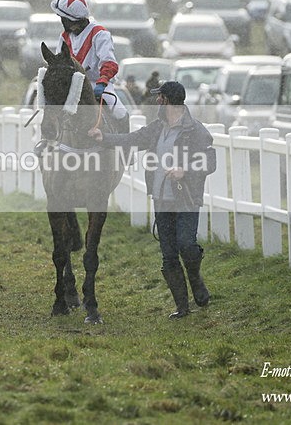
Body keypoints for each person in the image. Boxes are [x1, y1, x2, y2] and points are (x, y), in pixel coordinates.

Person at [89, 81, 214, 319]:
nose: (156, 101)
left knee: (186, 245)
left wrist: (184, 170)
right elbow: (131, 139)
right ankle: (182, 306)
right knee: (168, 254)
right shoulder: (157, 129)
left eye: (160, 97)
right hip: (161, 199)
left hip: (185, 199)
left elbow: (210, 161)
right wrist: (103, 138)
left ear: (168, 101)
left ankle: (196, 282)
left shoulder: (195, 131)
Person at [50, 0, 128, 127]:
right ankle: (49, 140)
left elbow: (109, 63)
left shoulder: (100, 34)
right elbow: (58, 63)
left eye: (63, 18)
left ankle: (122, 146)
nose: (61, 21)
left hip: (98, 85)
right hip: (72, 86)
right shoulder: (64, 37)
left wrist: (102, 82)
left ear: (72, 20)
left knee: (120, 113)